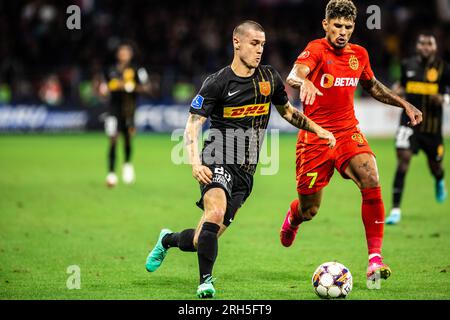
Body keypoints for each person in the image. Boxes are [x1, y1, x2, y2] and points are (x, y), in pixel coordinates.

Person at [145, 20, 336, 298]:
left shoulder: (270, 78)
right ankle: (205, 282)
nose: (259, 50)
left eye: (262, 45)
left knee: (202, 239)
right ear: (237, 42)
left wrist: (318, 129)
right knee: (215, 212)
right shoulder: (217, 82)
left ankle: (167, 239)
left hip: (246, 173)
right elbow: (193, 125)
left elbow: (288, 113)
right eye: (254, 43)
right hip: (216, 156)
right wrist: (195, 162)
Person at [279, 0, 423, 289]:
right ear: (326, 25)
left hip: (347, 132)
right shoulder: (317, 49)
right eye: (337, 26)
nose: (342, 32)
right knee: (310, 209)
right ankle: (294, 218)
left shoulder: (359, 54)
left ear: (353, 27)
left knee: (370, 174)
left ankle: (375, 259)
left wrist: (403, 103)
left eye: (348, 27)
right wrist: (302, 82)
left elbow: (373, 86)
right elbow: (296, 73)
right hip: (315, 136)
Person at [386, 33, 449, 225]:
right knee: (403, 160)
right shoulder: (408, 65)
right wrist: (396, 91)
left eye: (429, 43)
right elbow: (400, 85)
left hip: (432, 127)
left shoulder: (444, 69)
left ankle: (439, 180)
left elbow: (447, 93)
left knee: (435, 166)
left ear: (435, 47)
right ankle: (395, 210)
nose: (425, 47)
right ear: (417, 46)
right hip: (408, 123)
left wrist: (444, 99)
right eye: (422, 43)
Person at [101, 42, 152, 187]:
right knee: (113, 138)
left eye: (126, 52)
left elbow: (148, 87)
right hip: (113, 110)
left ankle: (127, 164)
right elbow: (102, 86)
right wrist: (103, 89)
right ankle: (111, 174)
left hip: (129, 110)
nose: (123, 55)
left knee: (128, 138)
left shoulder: (137, 69)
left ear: (130, 54)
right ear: (118, 54)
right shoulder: (110, 70)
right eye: (121, 52)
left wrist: (131, 86)